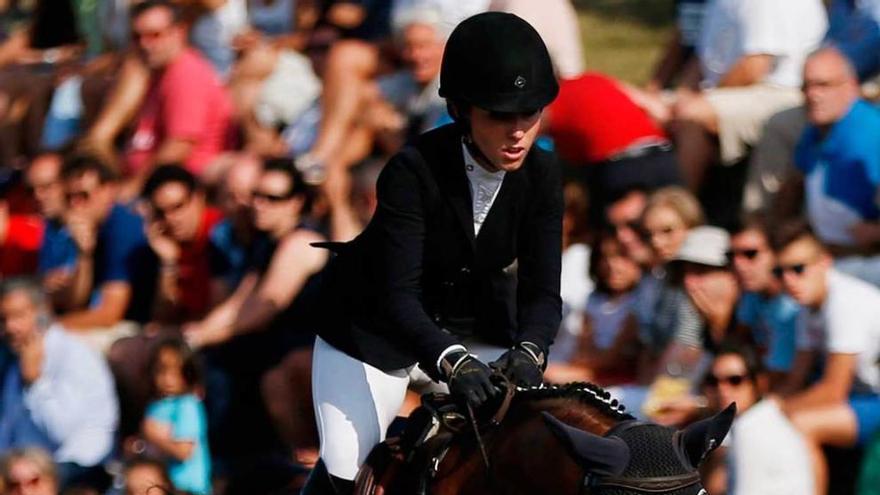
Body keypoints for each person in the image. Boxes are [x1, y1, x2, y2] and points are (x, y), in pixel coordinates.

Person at [302, 12, 562, 494]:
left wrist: (531, 349)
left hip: (467, 327)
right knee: (346, 470)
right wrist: (453, 362)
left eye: (531, 113)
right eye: (501, 116)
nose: (519, 132)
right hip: (371, 334)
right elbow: (398, 295)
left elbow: (544, 292)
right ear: (463, 110)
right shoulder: (412, 170)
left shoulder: (543, 174)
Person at [770, 219, 880, 495]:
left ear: (824, 263)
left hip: (872, 399)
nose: (789, 280)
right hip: (861, 398)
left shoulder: (844, 302)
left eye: (798, 269)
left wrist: (770, 413)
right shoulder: (808, 305)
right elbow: (796, 378)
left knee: (802, 424)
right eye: (780, 272)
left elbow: (832, 392)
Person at [0, 278, 118, 489]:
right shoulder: (16, 362)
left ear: (41, 311)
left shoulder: (74, 354)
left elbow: (62, 432)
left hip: (80, 469)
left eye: (18, 316)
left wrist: (36, 383)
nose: (10, 327)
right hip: (26, 467)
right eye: (3, 319)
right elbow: (8, 432)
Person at [785, 47, 880, 286]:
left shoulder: (870, 134)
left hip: (864, 265)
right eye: (806, 86)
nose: (813, 95)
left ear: (851, 86)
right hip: (828, 259)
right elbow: (793, 184)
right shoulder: (816, 130)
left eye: (823, 85)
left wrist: (874, 233)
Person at [124, 0, 233, 195]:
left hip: (174, 188)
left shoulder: (185, 73)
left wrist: (132, 188)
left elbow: (179, 146)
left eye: (155, 35)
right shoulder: (158, 73)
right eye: (137, 37)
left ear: (179, 32)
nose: (145, 44)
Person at [52, 154, 152, 351]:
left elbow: (109, 313)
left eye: (83, 196)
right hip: (116, 325)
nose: (75, 205)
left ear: (109, 191)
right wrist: (84, 255)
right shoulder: (83, 229)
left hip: (139, 328)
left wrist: (49, 328)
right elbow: (75, 303)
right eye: (69, 197)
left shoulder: (123, 227)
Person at [700, 341, 814, 495]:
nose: (722, 390)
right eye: (713, 381)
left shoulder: (751, 431)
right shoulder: (760, 420)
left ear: (759, 383)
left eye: (735, 380)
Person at [141, 164, 225, 323]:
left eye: (178, 206)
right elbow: (162, 319)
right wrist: (168, 263)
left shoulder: (221, 233)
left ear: (199, 198)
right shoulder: (168, 243)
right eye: (161, 212)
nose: (170, 219)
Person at [729, 214, 800, 388]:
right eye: (731, 255)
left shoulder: (791, 307)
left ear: (776, 254)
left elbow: (778, 379)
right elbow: (739, 340)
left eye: (750, 254)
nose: (738, 264)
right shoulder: (752, 294)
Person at [141, 338, 211, 495]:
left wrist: (155, 436)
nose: (168, 379)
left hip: (186, 489)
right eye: (162, 370)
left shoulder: (187, 405)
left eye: (176, 371)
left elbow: (185, 451)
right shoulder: (155, 405)